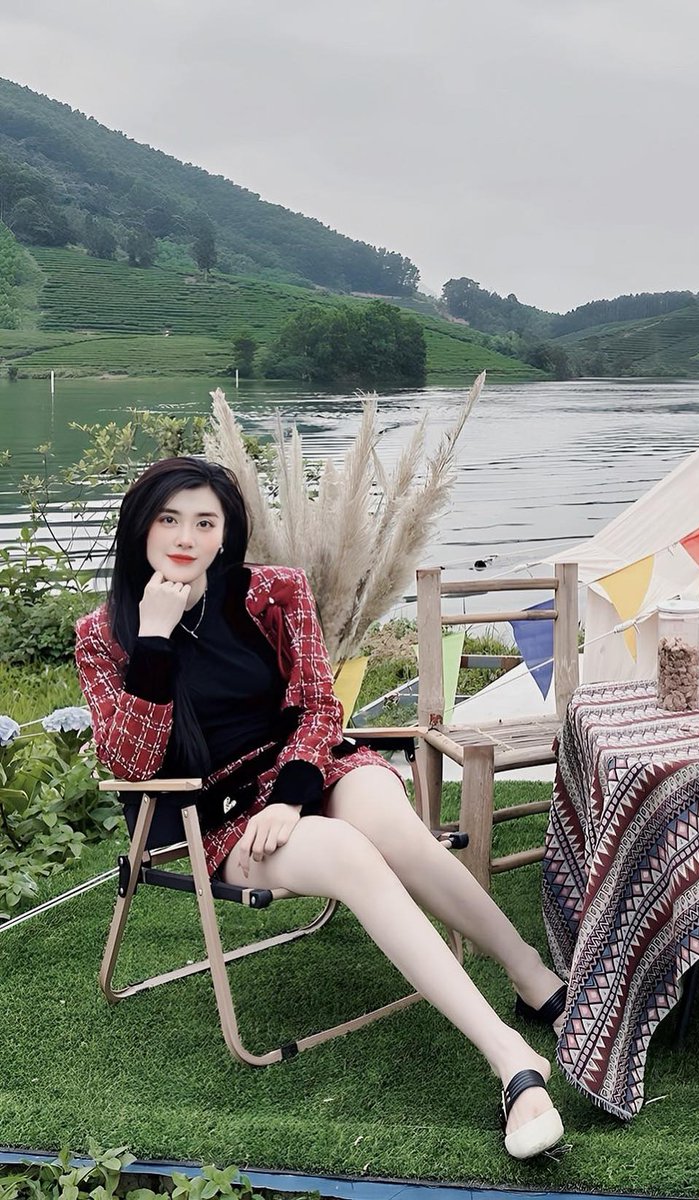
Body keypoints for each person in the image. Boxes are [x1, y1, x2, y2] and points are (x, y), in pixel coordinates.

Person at [75, 457, 568, 1160]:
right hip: (219, 816)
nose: (186, 536)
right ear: (140, 528)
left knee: (386, 820)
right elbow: (133, 766)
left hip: (309, 768)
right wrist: (153, 638)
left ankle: (527, 972)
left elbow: (319, 704)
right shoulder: (103, 635)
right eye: (169, 519)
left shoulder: (274, 591)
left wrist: (294, 795)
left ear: (226, 534)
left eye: (205, 522)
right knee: (346, 853)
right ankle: (513, 1061)